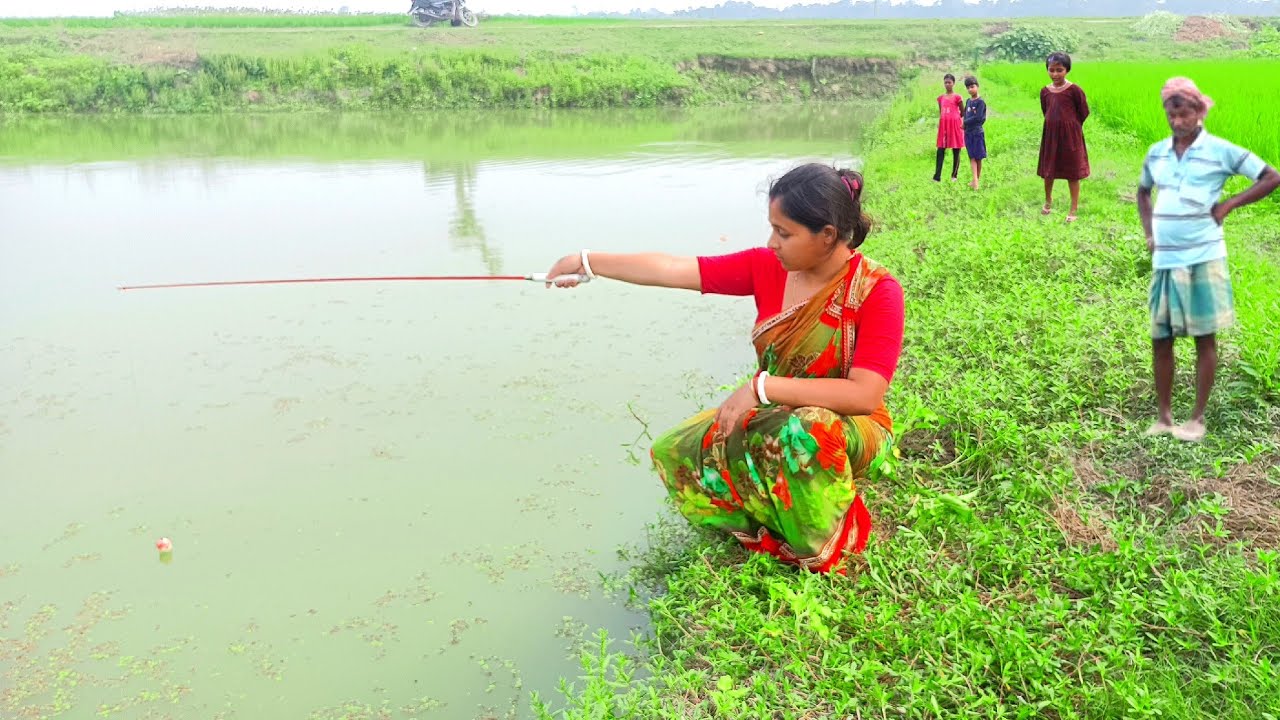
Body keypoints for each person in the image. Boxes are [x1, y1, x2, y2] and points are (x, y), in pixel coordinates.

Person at [543, 164, 905, 574]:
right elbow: (675, 269)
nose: (772, 243)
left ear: (826, 235)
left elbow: (864, 395)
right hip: (779, 412)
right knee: (676, 449)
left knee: (807, 429)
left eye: (784, 233)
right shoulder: (768, 268)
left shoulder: (877, 291)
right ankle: (761, 525)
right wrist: (586, 261)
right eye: (772, 229)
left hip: (850, 428)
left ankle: (825, 549)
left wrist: (762, 388)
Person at [1138, 77, 1279, 442]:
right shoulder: (1156, 152)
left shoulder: (1220, 150)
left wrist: (1230, 204)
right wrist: (1150, 233)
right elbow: (1142, 192)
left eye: (1183, 113)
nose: (1176, 121)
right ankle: (1164, 416)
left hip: (1203, 254)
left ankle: (1196, 418)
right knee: (1161, 337)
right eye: (1171, 113)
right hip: (1166, 260)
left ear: (1200, 111)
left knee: (1204, 337)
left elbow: (1270, 176)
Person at [1038, 52, 1090, 222]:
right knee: (1048, 171)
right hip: (1051, 136)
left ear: (1067, 70)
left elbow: (1083, 112)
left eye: (1059, 70)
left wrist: (1070, 126)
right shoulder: (1045, 91)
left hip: (1070, 136)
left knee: (1072, 172)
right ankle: (1048, 200)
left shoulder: (1075, 90)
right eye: (1051, 70)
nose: (1055, 74)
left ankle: (1073, 208)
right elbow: (1046, 111)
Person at [934, 73, 965, 182]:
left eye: (949, 82)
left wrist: (955, 119)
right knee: (940, 150)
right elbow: (941, 112)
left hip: (955, 126)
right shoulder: (941, 98)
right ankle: (937, 177)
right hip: (944, 127)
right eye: (945, 82)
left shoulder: (957, 97)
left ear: (953, 83)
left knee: (956, 150)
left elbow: (963, 111)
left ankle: (954, 175)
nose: (947, 84)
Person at [963, 76, 988, 190]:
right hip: (968, 133)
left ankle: (976, 180)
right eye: (968, 88)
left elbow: (979, 118)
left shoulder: (980, 102)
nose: (970, 89)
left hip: (977, 132)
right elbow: (966, 115)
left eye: (972, 87)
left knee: (978, 158)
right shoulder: (968, 101)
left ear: (977, 86)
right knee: (971, 157)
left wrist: (965, 122)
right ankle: (975, 181)